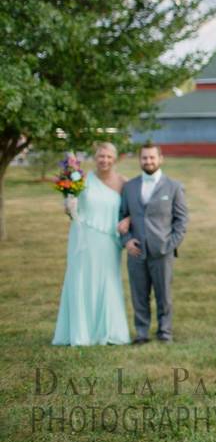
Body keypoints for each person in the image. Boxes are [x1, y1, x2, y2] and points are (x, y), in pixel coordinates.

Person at [52, 143, 131, 346]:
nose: (104, 160)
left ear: (115, 159)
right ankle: (81, 333)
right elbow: (71, 209)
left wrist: (128, 220)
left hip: (108, 241)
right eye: (101, 156)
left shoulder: (124, 183)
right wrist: (68, 207)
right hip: (83, 239)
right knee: (80, 280)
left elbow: (132, 210)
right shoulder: (81, 179)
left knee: (107, 282)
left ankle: (108, 330)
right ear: (95, 158)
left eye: (108, 157)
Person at [118, 144, 188, 344]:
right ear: (139, 160)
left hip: (162, 251)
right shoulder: (130, 187)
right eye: (144, 158)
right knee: (139, 295)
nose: (148, 161)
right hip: (136, 251)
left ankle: (165, 332)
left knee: (163, 295)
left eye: (152, 158)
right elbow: (122, 216)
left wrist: (169, 244)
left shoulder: (173, 187)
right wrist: (127, 240)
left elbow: (181, 221)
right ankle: (141, 333)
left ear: (160, 159)